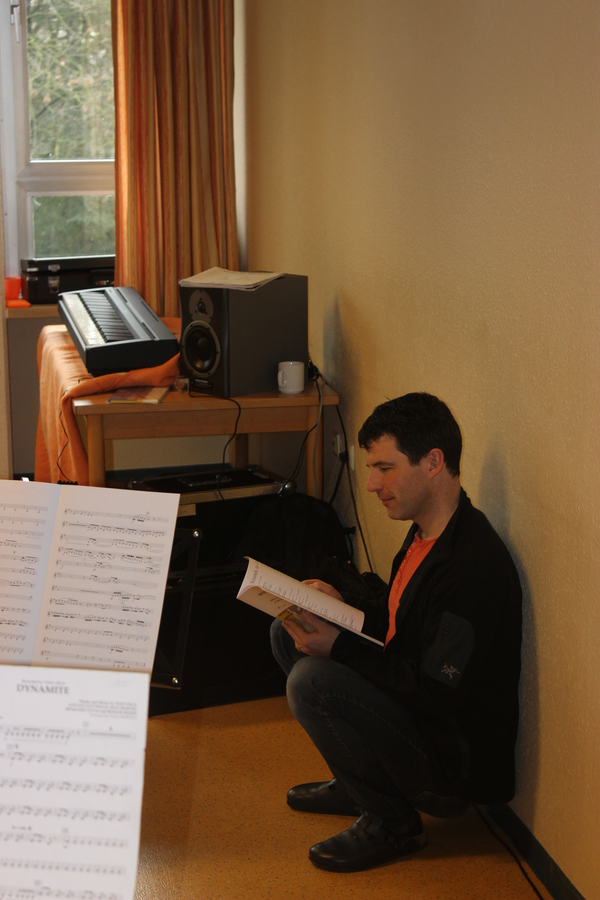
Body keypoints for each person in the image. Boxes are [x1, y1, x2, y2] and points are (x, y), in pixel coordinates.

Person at [270, 392, 522, 873]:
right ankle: (361, 785)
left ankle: (393, 824)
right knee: (287, 632)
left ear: (433, 462)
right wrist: (338, 606)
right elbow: (401, 625)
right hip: (420, 718)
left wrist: (340, 645)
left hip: (448, 763)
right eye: (372, 469)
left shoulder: (471, 568)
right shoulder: (426, 532)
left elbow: (434, 691)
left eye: (385, 468)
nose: (371, 484)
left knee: (312, 680)